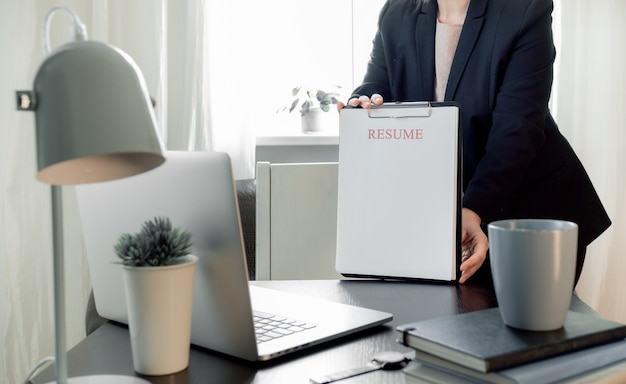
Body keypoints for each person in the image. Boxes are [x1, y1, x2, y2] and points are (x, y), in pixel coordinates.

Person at [338, 0, 611, 285]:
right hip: (453, 216)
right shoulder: (396, 12)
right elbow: (378, 85)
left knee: (518, 327)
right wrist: (365, 103)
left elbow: (517, 128)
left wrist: (473, 208)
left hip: (531, 214)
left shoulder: (525, 9)